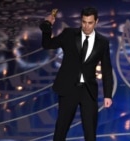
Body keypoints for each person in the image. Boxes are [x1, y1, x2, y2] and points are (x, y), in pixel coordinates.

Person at [39, 7, 113, 141]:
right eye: (84, 22)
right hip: (68, 88)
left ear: (96, 21)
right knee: (61, 129)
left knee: (90, 133)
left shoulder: (103, 42)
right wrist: (47, 26)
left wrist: (108, 94)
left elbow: (107, 69)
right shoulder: (69, 34)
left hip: (88, 91)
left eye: (90, 23)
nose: (86, 26)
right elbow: (47, 44)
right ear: (81, 21)